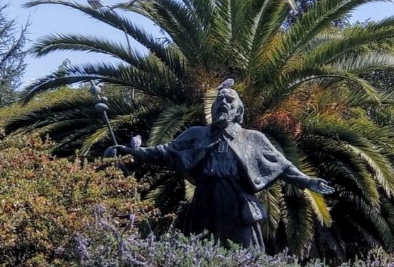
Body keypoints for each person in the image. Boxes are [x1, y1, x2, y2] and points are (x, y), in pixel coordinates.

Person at [106, 85, 334, 249]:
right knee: (199, 251)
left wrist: (307, 181)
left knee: (246, 255)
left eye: (229, 101)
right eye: (219, 101)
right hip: (204, 201)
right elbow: (165, 152)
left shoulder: (252, 139)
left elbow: (282, 166)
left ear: (238, 111)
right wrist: (132, 152)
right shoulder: (196, 135)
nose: (223, 104)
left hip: (237, 203)